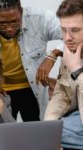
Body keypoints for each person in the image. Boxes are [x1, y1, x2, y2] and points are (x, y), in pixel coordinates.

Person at [0, 0, 63, 121]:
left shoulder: (42, 19)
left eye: (15, 22)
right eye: (2, 24)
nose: (9, 28)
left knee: (37, 131)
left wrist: (53, 55)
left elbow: (76, 36)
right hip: (1, 91)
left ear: (21, 12)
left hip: (33, 89)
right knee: (4, 134)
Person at [44, 0, 83, 149]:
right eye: (63, 30)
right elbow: (61, 95)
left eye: (74, 30)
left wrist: (77, 71)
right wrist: (49, 134)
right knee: (46, 129)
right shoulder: (70, 53)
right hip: (76, 119)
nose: (67, 38)